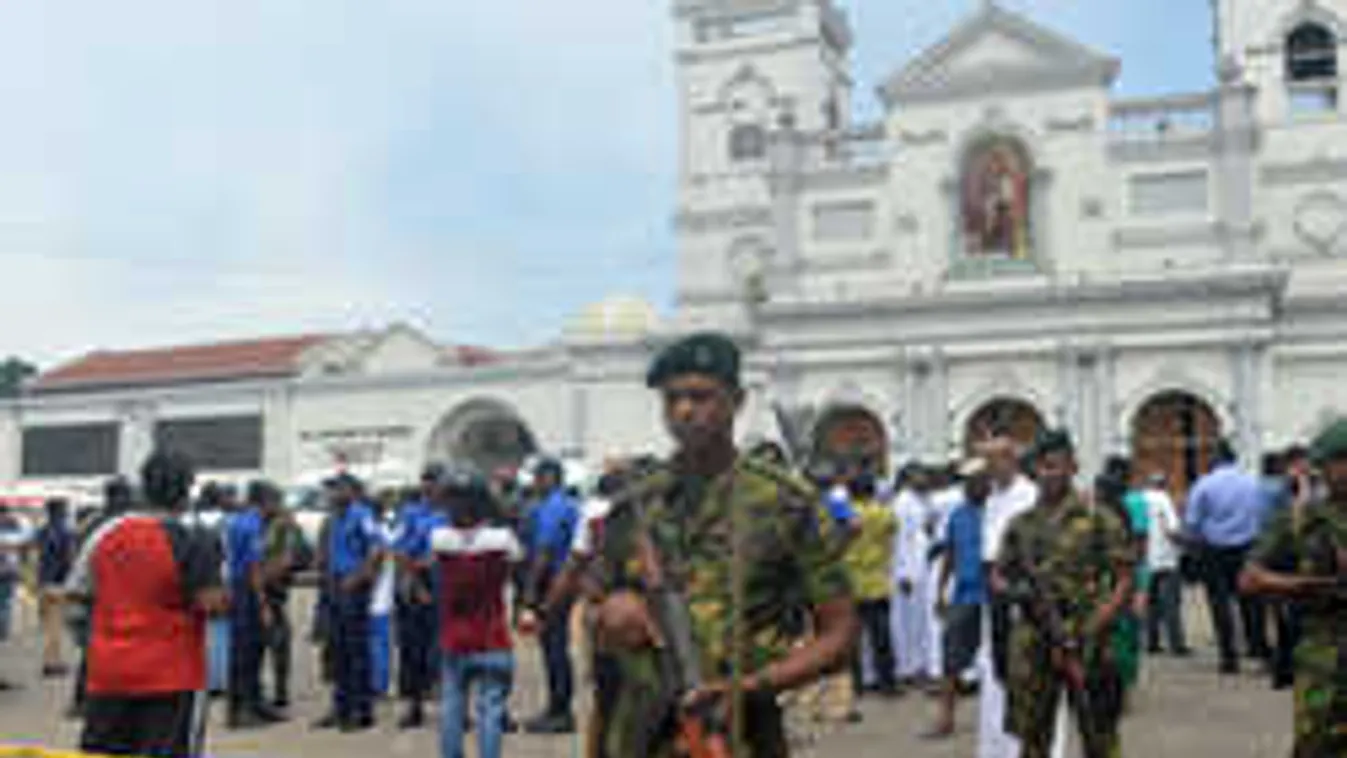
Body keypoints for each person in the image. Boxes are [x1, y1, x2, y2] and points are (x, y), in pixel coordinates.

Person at [588, 331, 858, 757]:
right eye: (671, 399)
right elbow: (594, 606)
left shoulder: (785, 504)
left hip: (740, 735)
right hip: (641, 735)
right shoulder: (635, 505)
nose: (683, 411)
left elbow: (840, 635)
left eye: (700, 397)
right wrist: (610, 613)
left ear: (737, 401)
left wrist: (747, 688)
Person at [69, 450, 228, 758]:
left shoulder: (103, 534)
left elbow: (76, 596)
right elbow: (213, 605)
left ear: (143, 487)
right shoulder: (194, 540)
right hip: (171, 677)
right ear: (186, 490)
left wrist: (95, 644)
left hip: (109, 674)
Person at [994, 430, 1135, 758]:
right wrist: (1019, 592)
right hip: (1034, 640)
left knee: (1100, 734)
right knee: (1032, 737)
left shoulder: (1098, 518)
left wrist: (1097, 623)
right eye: (1043, 467)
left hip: (1090, 642)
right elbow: (998, 575)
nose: (1050, 473)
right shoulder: (1020, 524)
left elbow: (1125, 578)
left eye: (1057, 465)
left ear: (1074, 466)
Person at [1239, 418, 1347, 757]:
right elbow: (1249, 578)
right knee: (1315, 746)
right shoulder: (1300, 520)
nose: (1343, 470)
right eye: (1338, 460)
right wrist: (1305, 584)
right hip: (1323, 661)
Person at [429, 464, 524, 758]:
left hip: (454, 638)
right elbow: (518, 563)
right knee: (490, 712)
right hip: (493, 637)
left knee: (452, 708)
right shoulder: (502, 540)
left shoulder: (439, 538)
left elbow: (433, 571)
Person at [976, 431, 1040, 758]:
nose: (987, 467)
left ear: (1011, 459)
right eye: (984, 460)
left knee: (1026, 682)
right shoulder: (992, 497)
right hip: (994, 602)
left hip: (1021, 601)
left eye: (993, 460)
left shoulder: (1030, 495)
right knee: (996, 680)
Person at [1184, 439, 1268, 674]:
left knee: (1220, 604)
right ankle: (1258, 651)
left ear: (1215, 458)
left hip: (1215, 550)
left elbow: (1192, 523)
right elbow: (1262, 516)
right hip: (1248, 548)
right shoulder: (1252, 483)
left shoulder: (1204, 485)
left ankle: (1228, 657)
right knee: (1251, 602)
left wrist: (1194, 546)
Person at [313, 473, 385, 732]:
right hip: (333, 586)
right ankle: (340, 706)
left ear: (351, 490)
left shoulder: (361, 514)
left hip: (353, 588)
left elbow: (377, 549)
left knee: (356, 651)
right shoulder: (332, 519)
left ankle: (361, 710)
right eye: (330, 488)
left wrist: (359, 576)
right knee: (337, 650)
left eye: (337, 488)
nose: (332, 493)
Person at [927, 457, 991, 739]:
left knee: (1001, 663)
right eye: (965, 483)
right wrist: (941, 590)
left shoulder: (998, 512)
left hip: (994, 598)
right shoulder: (957, 514)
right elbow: (950, 554)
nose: (967, 488)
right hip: (964, 595)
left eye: (973, 482)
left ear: (985, 483)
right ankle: (945, 719)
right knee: (950, 659)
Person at [520, 457, 581, 734]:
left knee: (554, 648)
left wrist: (530, 593)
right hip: (563, 582)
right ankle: (557, 707)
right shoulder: (566, 504)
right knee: (555, 647)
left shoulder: (553, 507)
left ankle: (560, 711)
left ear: (550, 477)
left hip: (553, 582)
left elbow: (543, 552)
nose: (534, 482)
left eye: (537, 477)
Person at [391, 467, 448, 729]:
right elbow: (400, 549)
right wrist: (414, 583)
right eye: (426, 481)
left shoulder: (453, 513)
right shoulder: (411, 513)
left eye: (434, 482)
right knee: (412, 648)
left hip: (444, 582)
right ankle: (414, 707)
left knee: (446, 649)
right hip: (415, 582)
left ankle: (455, 709)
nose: (429, 487)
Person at [225, 482, 285, 729]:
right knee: (246, 653)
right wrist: (263, 606)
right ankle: (241, 711)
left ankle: (256, 704)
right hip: (246, 592)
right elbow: (254, 569)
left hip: (242, 587)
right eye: (275, 501)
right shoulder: (250, 525)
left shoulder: (242, 521)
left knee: (255, 650)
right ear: (264, 501)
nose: (278, 507)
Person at [842, 471, 899, 701]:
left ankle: (856, 686)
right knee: (882, 637)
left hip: (851, 581)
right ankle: (887, 684)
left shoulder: (846, 514)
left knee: (852, 640)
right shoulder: (884, 513)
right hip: (878, 582)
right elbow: (894, 529)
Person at [256, 481, 304, 711]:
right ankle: (263, 692)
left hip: (273, 589)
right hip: (263, 588)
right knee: (262, 642)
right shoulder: (259, 523)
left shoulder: (285, 525)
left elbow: (287, 559)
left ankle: (280, 692)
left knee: (278, 640)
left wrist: (262, 578)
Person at [893, 464, 939, 688]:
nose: (924, 478)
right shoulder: (903, 503)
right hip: (909, 572)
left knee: (920, 622)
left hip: (922, 568)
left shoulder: (921, 500)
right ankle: (908, 669)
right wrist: (903, 573)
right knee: (908, 624)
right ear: (909, 477)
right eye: (919, 474)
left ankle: (919, 666)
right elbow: (900, 541)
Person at [1141, 473, 1189, 656]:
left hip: (1147, 558)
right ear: (1163, 485)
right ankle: (1176, 645)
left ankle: (1151, 642)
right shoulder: (1164, 500)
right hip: (1167, 559)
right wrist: (1186, 543)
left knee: (1151, 603)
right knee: (1171, 604)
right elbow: (1172, 529)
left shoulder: (1141, 500)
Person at [35, 498, 76, 679]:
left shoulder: (41, 531)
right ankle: (52, 664)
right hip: (59, 582)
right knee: (55, 626)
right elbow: (68, 559)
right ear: (61, 511)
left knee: (48, 626)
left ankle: (50, 661)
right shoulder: (65, 532)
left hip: (43, 581)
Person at [0, 502, 35, 691]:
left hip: (7, 584)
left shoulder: (11, 532)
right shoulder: (8, 535)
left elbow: (24, 544)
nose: (6, 518)